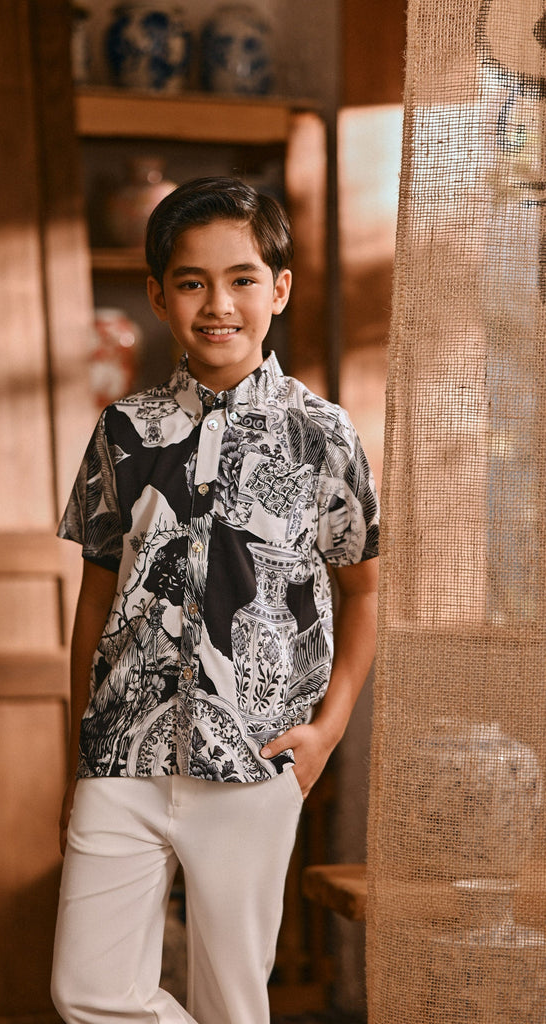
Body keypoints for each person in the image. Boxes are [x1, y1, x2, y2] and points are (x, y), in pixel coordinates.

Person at [50, 176, 379, 1024]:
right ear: (160, 295)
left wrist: (327, 732)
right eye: (192, 282)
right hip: (121, 751)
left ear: (280, 289)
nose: (218, 305)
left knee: (233, 999)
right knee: (87, 991)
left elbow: (365, 592)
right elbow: (94, 598)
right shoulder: (122, 432)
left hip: (255, 758)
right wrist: (77, 747)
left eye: (241, 279)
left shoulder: (324, 435)